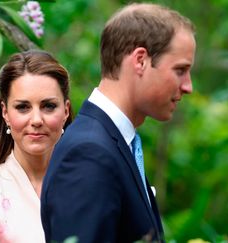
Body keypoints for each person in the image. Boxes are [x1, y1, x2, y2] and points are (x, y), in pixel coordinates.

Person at [41, 3, 196, 243]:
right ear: (140, 61)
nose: (188, 86)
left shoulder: (117, 144)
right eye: (180, 70)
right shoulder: (89, 153)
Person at [0, 50, 72, 243]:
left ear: (65, 111)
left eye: (48, 106)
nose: (36, 120)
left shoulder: (90, 185)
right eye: (23, 107)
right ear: (5, 112)